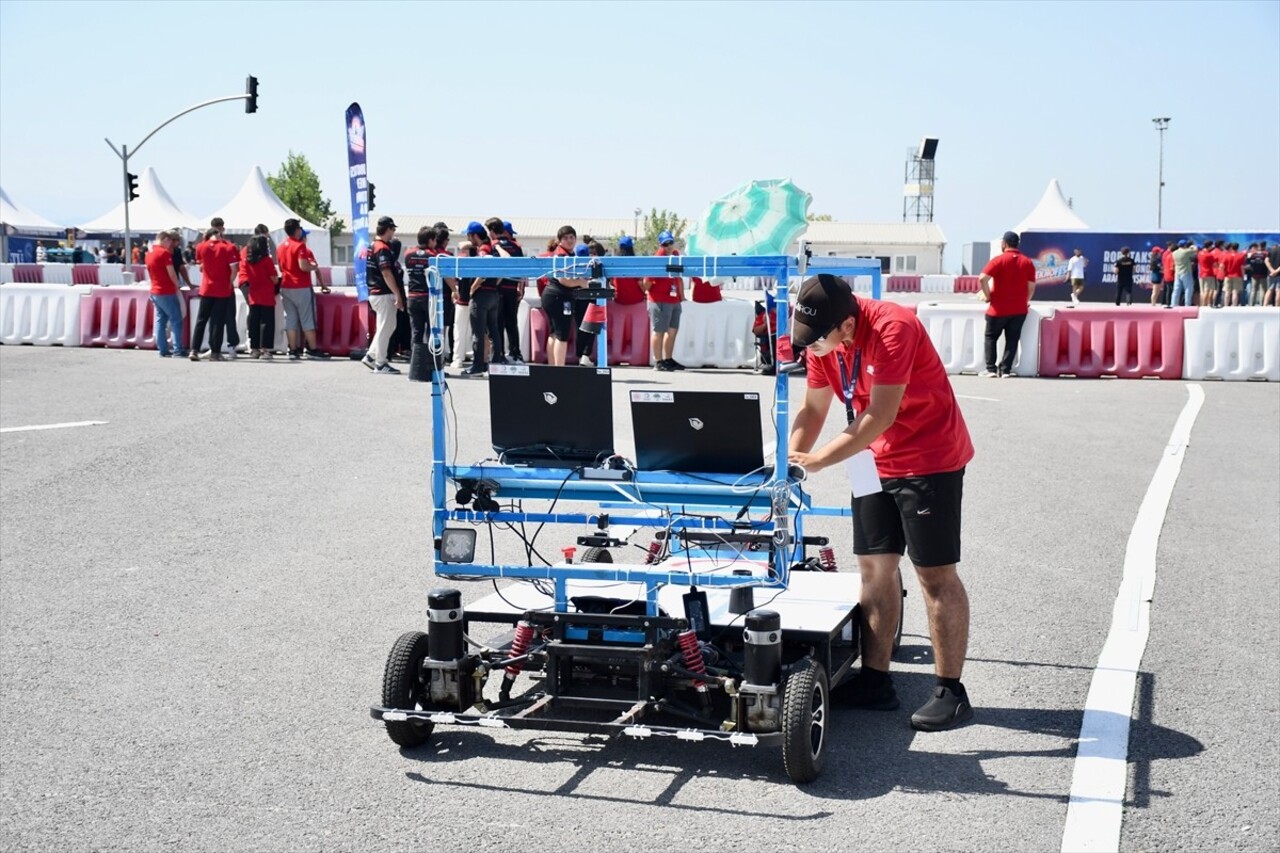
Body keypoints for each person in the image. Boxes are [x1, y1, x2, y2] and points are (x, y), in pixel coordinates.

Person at [787, 274, 975, 731]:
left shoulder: (895, 327)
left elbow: (880, 414)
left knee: (934, 576)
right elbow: (814, 410)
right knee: (874, 568)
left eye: (816, 341)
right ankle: (876, 679)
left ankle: (951, 690)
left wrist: (817, 460)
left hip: (928, 459)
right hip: (871, 462)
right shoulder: (825, 343)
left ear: (848, 326)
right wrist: (789, 459)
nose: (810, 349)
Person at [978, 230, 1037, 377]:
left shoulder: (999, 260)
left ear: (1004, 244)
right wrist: (1025, 301)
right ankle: (1005, 370)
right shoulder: (1027, 262)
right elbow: (1031, 287)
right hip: (1019, 310)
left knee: (991, 337)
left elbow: (982, 278)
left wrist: (987, 296)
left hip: (998, 309)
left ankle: (991, 369)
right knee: (1012, 339)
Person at [276, 218, 331, 360]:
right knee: (307, 318)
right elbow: (303, 266)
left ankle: (293, 349)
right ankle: (312, 349)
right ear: (297, 230)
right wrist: (313, 266)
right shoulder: (300, 246)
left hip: (286, 285)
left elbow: (281, 267)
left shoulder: (281, 246)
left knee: (291, 319)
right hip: (300, 286)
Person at [361, 216, 405, 375]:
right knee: (386, 327)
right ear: (388, 229)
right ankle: (380, 362)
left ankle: (371, 356)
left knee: (385, 327)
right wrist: (397, 294)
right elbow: (386, 273)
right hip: (383, 293)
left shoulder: (373, 245)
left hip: (375, 293)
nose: (393, 233)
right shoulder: (382, 248)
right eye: (393, 229)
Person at [190, 227, 239, 361]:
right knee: (218, 321)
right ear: (219, 234)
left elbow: (201, 265)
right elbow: (234, 269)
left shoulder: (201, 246)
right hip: (222, 288)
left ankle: (194, 349)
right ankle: (215, 352)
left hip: (206, 288)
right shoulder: (228, 247)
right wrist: (229, 283)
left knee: (201, 320)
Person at [539, 225, 585, 367]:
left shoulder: (568, 254)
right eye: (565, 238)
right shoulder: (562, 255)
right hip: (559, 296)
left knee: (554, 333)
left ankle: (553, 369)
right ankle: (560, 371)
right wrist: (584, 283)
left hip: (552, 296)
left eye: (572, 237)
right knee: (562, 335)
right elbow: (564, 280)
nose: (570, 240)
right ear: (559, 241)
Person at [644, 230, 686, 370]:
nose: (668, 246)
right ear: (660, 244)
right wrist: (651, 295)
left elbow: (678, 278)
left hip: (674, 300)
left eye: (670, 243)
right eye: (665, 244)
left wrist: (682, 296)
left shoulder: (675, 255)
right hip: (659, 299)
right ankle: (658, 361)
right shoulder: (657, 258)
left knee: (673, 331)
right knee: (659, 331)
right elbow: (647, 282)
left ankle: (668, 359)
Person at [487, 217, 525, 363]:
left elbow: (498, 268)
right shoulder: (516, 246)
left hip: (498, 289)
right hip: (512, 289)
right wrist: (520, 289)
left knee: (498, 323)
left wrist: (495, 285)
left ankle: (500, 354)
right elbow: (522, 269)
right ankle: (516, 353)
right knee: (512, 323)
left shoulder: (493, 245)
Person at [403, 226, 438, 377]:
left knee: (416, 332)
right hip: (428, 298)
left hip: (412, 296)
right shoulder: (432, 256)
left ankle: (416, 367)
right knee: (432, 332)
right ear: (430, 240)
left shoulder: (408, 253)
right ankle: (432, 366)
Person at [145, 232, 184, 358]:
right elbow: (171, 273)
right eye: (169, 241)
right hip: (166, 290)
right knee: (176, 320)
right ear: (165, 240)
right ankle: (178, 349)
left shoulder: (149, 253)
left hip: (155, 290)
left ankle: (162, 349)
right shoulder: (164, 253)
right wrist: (177, 285)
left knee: (160, 320)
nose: (170, 244)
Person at [242, 234, 279, 360]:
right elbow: (274, 279)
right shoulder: (267, 261)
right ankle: (265, 350)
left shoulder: (247, 261)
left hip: (253, 294)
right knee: (267, 323)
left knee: (254, 323)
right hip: (267, 295)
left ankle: (254, 348)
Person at [1171, 240, 1197, 307]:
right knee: (1188, 288)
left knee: (1176, 289)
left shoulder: (1174, 253)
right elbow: (1195, 250)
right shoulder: (1185, 252)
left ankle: (1174, 304)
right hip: (1186, 272)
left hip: (1177, 273)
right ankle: (1187, 304)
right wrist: (1192, 246)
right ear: (1185, 245)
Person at [1220, 242, 1245, 307]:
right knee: (1235, 292)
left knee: (1227, 292)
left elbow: (1221, 266)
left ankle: (1226, 306)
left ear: (1231, 247)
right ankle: (1234, 306)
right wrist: (1243, 275)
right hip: (1237, 276)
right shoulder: (1240, 255)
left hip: (1227, 276)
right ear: (1238, 248)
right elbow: (1242, 267)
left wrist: (1223, 273)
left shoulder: (1226, 255)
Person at [1197, 239, 1219, 308]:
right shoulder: (1209, 255)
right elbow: (1215, 264)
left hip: (1201, 273)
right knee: (1208, 290)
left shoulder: (1199, 253)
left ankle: (1202, 304)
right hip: (1209, 273)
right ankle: (1205, 304)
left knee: (1202, 291)